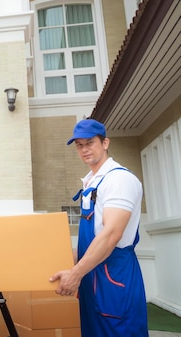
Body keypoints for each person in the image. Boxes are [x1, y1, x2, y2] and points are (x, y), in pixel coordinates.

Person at [50, 119, 148, 336]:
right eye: (79, 145)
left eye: (90, 143)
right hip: (91, 273)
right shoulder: (92, 182)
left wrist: (76, 273)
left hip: (114, 274)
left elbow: (112, 233)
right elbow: (92, 236)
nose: (84, 150)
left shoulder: (119, 179)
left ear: (105, 143)